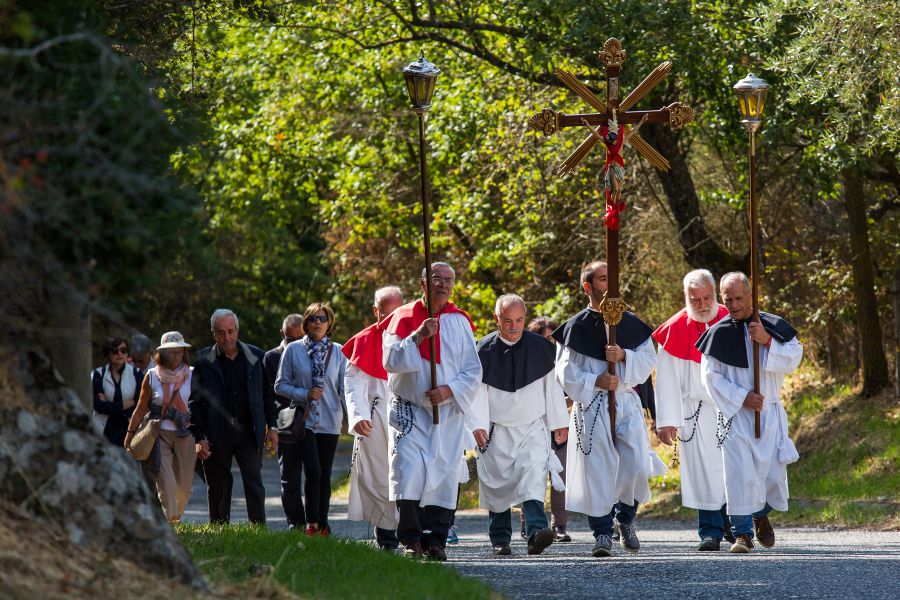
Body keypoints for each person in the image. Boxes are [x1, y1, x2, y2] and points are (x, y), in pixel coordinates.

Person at [382, 262, 486, 561]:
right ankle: (412, 541)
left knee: (444, 473)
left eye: (448, 280)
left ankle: (437, 540)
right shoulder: (401, 317)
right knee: (409, 472)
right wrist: (418, 336)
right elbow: (389, 360)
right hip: (411, 411)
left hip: (447, 412)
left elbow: (472, 370)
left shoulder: (459, 322)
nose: (442, 284)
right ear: (423, 283)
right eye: (436, 279)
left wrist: (449, 390)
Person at [553, 261, 658, 558]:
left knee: (636, 464)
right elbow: (563, 371)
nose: (609, 285)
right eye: (602, 279)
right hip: (592, 404)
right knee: (596, 471)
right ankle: (602, 533)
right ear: (588, 286)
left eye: (611, 279)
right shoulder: (575, 327)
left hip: (625, 401)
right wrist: (595, 379)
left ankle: (625, 518)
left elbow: (649, 359)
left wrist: (625, 356)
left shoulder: (632, 322)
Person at [698, 272, 803, 553]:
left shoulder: (770, 325)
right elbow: (710, 377)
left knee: (771, 475)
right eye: (728, 299)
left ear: (750, 295)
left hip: (768, 414)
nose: (733, 304)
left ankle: (760, 512)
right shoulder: (717, 334)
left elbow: (794, 357)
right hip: (736, 417)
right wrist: (743, 397)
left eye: (739, 298)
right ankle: (741, 534)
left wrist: (768, 340)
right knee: (738, 473)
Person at [476, 295, 568, 557]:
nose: (514, 326)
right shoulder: (482, 350)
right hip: (496, 429)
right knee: (497, 485)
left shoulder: (541, 347)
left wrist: (558, 422)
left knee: (533, 475)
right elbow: (476, 394)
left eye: (519, 320)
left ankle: (538, 531)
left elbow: (552, 387)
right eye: (507, 321)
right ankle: (500, 539)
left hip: (532, 426)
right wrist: (477, 426)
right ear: (497, 319)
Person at [652, 269, 733, 551]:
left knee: (732, 468)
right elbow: (666, 381)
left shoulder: (731, 320)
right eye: (694, 298)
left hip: (730, 408)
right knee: (703, 473)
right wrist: (667, 420)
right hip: (695, 412)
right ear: (685, 297)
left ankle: (735, 525)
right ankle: (709, 531)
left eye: (706, 298)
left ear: (715, 294)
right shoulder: (675, 328)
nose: (701, 305)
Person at [189, 308, 279, 525]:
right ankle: (220, 529)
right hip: (216, 432)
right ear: (213, 334)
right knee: (218, 484)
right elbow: (195, 402)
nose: (226, 337)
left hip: (249, 430)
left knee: (254, 480)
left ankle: (258, 528)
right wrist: (199, 437)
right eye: (221, 333)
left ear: (237, 331)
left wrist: (273, 427)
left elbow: (268, 395)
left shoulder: (257, 356)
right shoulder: (203, 360)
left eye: (230, 331)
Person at [275, 303, 347, 535]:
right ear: (306, 322)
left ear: (330, 323)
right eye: (313, 318)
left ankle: (323, 523)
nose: (318, 322)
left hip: (330, 420)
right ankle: (311, 522)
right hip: (303, 421)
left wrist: (355, 418)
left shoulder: (339, 351)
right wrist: (303, 394)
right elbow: (280, 385)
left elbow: (346, 389)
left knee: (325, 473)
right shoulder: (293, 350)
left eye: (322, 318)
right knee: (313, 469)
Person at [343, 286, 405, 550]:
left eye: (396, 314)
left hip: (411, 415)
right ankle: (387, 533)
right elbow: (353, 384)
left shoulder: (415, 336)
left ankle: (416, 532)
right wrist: (358, 415)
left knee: (412, 475)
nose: (391, 320)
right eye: (385, 314)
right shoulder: (365, 340)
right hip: (377, 418)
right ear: (375, 311)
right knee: (380, 476)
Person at [124, 331, 195, 523]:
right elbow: (140, 408)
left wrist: (204, 438)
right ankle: (172, 522)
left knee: (184, 486)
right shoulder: (152, 376)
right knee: (166, 482)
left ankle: (176, 515)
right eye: (171, 352)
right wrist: (130, 434)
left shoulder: (192, 375)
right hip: (159, 433)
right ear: (162, 354)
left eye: (179, 352)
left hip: (186, 434)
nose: (176, 356)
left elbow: (201, 408)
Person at [523, 316, 572, 543]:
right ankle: (530, 522)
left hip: (559, 424)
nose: (549, 343)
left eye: (552, 339)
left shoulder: (562, 360)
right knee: (533, 474)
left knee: (560, 474)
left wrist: (564, 403)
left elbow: (572, 387)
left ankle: (559, 525)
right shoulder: (527, 360)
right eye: (544, 338)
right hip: (534, 423)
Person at [92, 336, 143, 446]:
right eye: (115, 351)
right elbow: (98, 406)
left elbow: (139, 405)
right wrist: (124, 404)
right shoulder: (99, 374)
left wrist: (109, 406)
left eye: (123, 350)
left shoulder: (137, 374)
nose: (120, 354)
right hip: (104, 430)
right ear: (108, 354)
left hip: (129, 431)